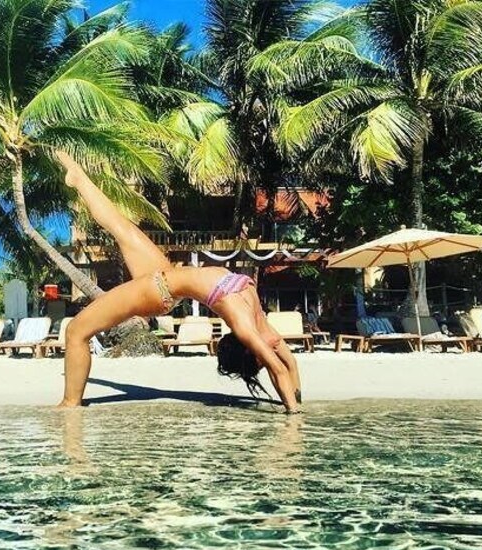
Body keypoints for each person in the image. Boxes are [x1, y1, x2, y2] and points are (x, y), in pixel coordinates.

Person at [55, 152, 301, 413]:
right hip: (164, 276)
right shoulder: (268, 334)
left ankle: (70, 404)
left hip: (157, 290)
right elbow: (289, 367)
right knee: (121, 227)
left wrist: (292, 416)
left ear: (250, 350)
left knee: (76, 332)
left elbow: (276, 369)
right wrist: (297, 401)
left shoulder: (244, 324)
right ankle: (79, 177)